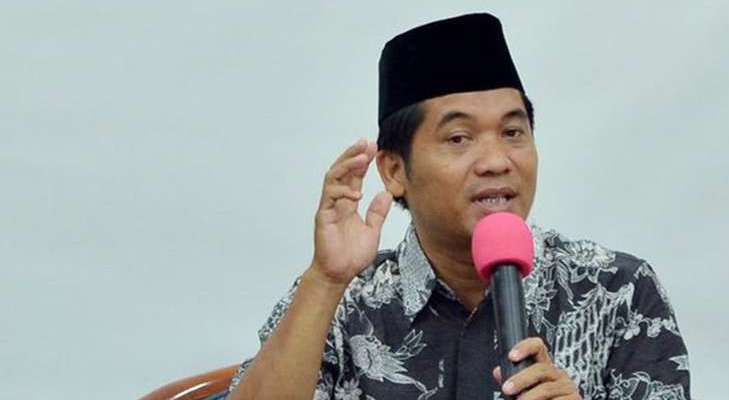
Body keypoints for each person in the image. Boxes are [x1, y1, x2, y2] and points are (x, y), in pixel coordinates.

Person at [225, 13, 691, 400]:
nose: (496, 161)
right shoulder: (344, 300)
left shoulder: (618, 291)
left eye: (513, 133)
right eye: (459, 138)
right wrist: (326, 280)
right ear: (394, 171)